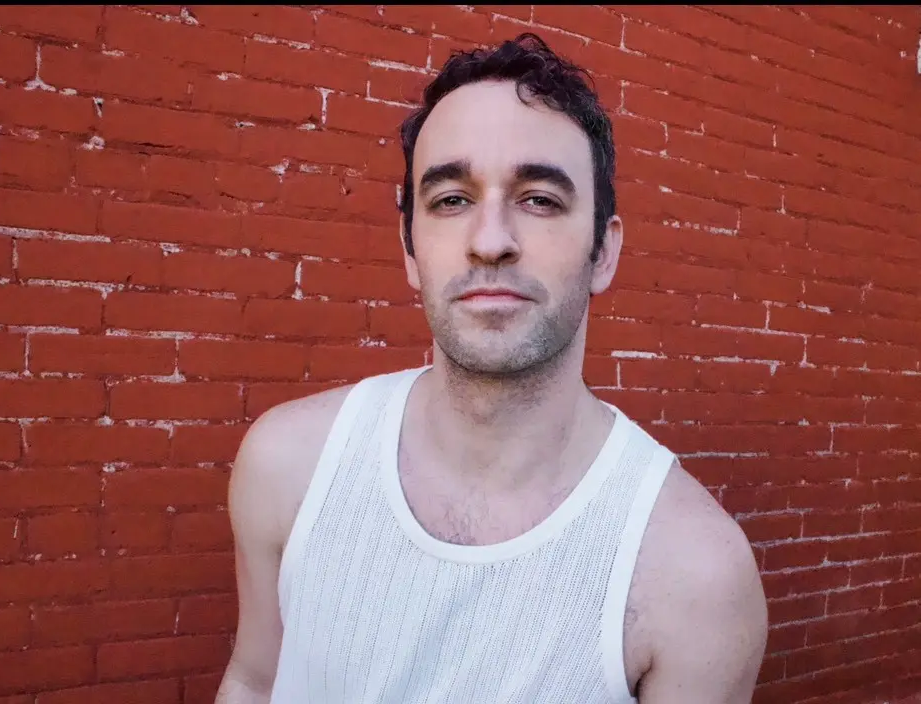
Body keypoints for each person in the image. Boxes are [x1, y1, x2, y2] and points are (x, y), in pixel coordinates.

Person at [216, 33, 768, 704]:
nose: (490, 240)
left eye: (539, 198)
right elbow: (254, 679)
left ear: (604, 252)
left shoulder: (694, 575)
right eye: (451, 199)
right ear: (410, 248)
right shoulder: (287, 465)